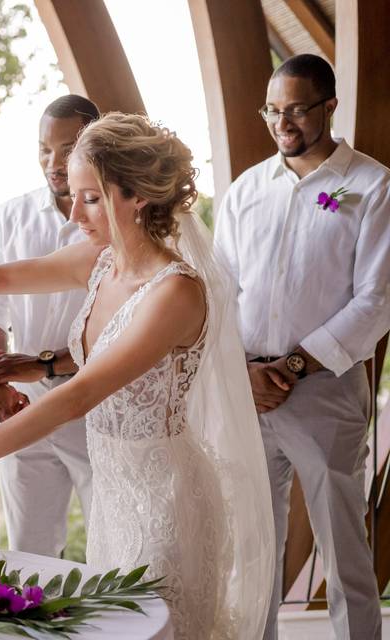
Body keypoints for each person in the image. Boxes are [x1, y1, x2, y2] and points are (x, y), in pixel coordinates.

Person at [0, 113, 275, 639]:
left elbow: (78, 396)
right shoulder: (101, 260)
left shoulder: (175, 293)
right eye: (73, 196)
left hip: (165, 497)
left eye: (90, 198)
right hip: (114, 493)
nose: (73, 215)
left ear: (136, 196)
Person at [214, 53, 390, 640]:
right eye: (272, 109)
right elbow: (221, 293)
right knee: (254, 551)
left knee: (344, 553)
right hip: (249, 396)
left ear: (330, 106)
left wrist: (289, 366)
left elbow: (376, 301)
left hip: (324, 393)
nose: (281, 122)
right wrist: (244, 373)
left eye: (295, 110)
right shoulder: (244, 191)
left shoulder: (372, 184)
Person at [0, 94, 99, 557]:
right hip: (25, 408)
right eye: (44, 149)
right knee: (30, 555)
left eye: (68, 149)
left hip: (99, 405)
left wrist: (41, 364)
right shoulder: (11, 216)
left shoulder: (117, 222)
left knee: (114, 551)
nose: (53, 162)